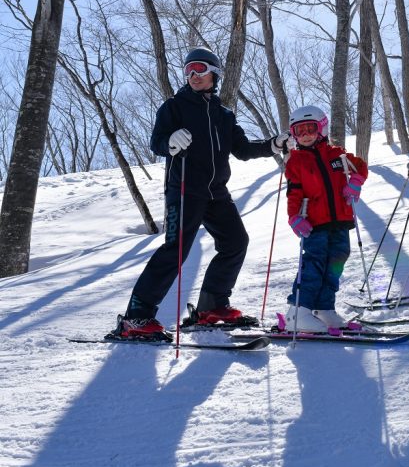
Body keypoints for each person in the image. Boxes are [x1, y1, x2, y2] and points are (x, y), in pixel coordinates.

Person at [111, 47, 289, 340]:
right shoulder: (174, 107)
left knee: (235, 241)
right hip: (184, 190)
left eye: (199, 69)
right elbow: (156, 142)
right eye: (189, 70)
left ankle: (211, 306)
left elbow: (242, 150)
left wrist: (274, 144)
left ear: (214, 74)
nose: (193, 75)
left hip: (215, 192)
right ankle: (136, 317)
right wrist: (170, 141)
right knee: (175, 250)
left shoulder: (224, 115)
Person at [282, 105, 368, 333]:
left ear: (322, 128)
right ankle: (298, 311)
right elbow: (294, 193)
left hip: (340, 221)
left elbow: (360, 166)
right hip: (315, 224)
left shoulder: (337, 155)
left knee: (336, 262)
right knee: (315, 263)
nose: (305, 135)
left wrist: (355, 181)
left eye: (310, 129)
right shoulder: (296, 162)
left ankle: (324, 308)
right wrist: (294, 218)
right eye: (298, 131)